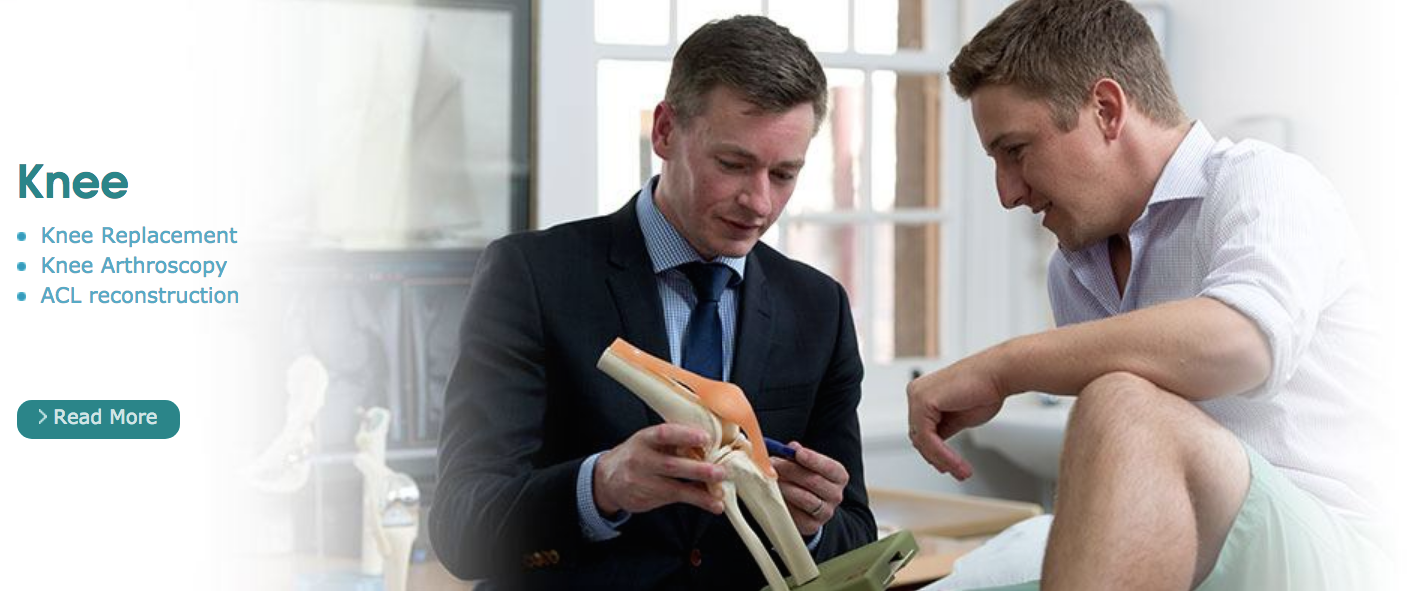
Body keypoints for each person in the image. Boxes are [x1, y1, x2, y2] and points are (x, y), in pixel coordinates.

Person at [907, 0, 1391, 589]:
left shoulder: (1264, 181)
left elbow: (1241, 344)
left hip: (1335, 551)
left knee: (1121, 401)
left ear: (1107, 110)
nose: (1008, 193)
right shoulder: (1076, 269)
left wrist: (1006, 367)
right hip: (1198, 550)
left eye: (1015, 151)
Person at [431, 15, 876, 590]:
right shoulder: (532, 277)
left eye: (784, 173)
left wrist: (811, 526)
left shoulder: (820, 309)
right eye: (733, 164)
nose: (759, 202)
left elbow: (857, 540)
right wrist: (601, 486)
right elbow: (461, 528)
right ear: (665, 131)